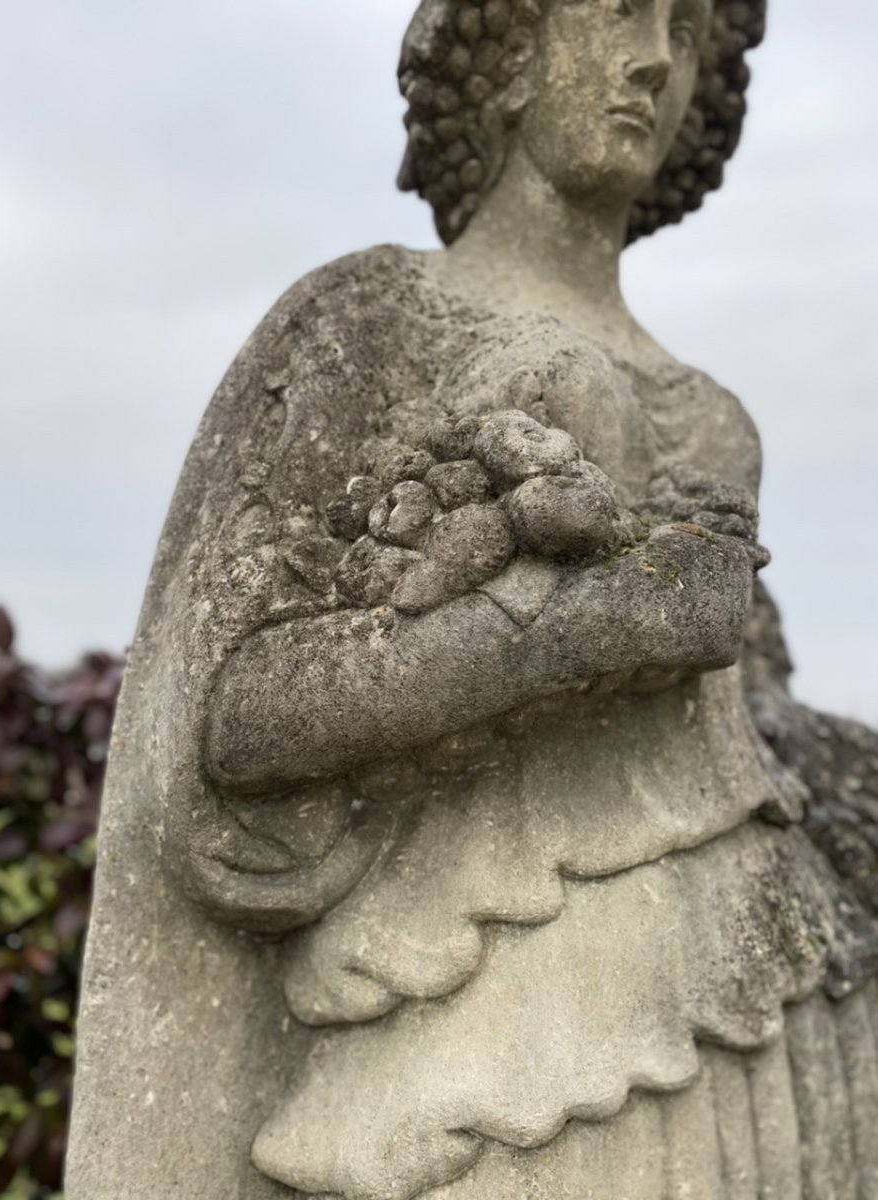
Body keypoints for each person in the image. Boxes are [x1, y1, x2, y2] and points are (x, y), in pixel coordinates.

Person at [67, 2, 878, 1197]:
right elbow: (235, 718)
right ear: (502, 58)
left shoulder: (714, 415)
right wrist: (580, 632)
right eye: (614, 11)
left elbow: (748, 736)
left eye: (687, 29)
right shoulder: (377, 319)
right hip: (495, 1043)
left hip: (762, 1014)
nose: (654, 58)